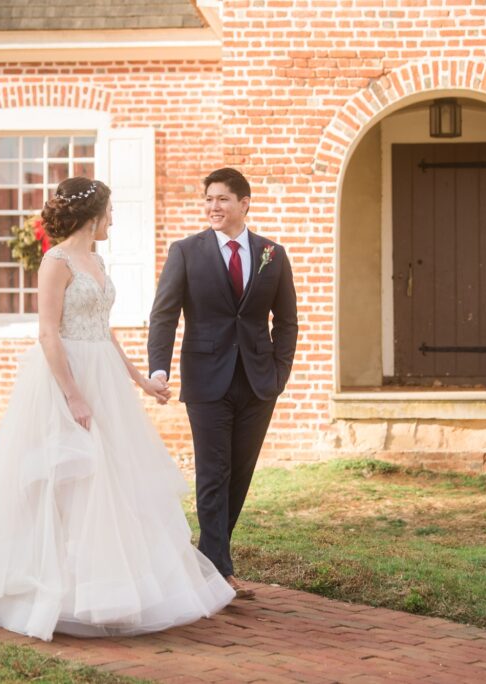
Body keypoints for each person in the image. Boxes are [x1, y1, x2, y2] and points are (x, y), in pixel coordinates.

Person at [0, 177, 235, 642]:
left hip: (103, 374)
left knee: (112, 483)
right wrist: (73, 395)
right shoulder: (56, 260)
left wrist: (141, 380)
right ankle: (47, 592)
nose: (113, 219)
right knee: (66, 481)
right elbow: (48, 333)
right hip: (64, 378)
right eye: (109, 212)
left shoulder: (96, 259)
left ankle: (108, 590)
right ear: (92, 215)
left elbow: (103, 330)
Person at [148, 168, 298, 599]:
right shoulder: (186, 252)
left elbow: (286, 322)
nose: (214, 207)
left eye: (223, 200)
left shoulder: (273, 253)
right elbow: (164, 314)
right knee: (214, 472)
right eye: (209, 199)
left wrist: (279, 375)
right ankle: (216, 571)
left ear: (244, 203)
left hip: (257, 382)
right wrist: (160, 368)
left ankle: (210, 559)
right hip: (206, 380)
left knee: (240, 473)